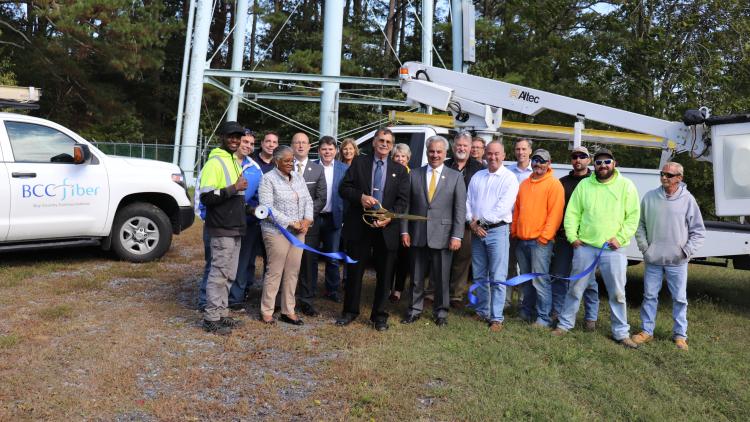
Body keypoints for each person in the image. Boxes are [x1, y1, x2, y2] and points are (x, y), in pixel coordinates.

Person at [553, 148, 640, 349]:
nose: (603, 166)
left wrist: (621, 238)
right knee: (575, 289)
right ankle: (565, 324)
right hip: (585, 248)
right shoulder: (584, 185)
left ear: (614, 163)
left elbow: (633, 217)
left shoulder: (626, 186)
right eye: (599, 163)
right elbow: (573, 212)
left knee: (618, 293)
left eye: (607, 161)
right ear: (594, 165)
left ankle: (621, 333)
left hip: (613, 250)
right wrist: (572, 236)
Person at [336, 128, 410, 331]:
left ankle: (379, 316)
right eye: (381, 140)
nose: (384, 144)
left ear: (392, 145)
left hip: (386, 229)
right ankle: (350, 312)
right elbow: (344, 189)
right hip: (359, 226)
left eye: (388, 141)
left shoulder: (400, 170)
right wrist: (360, 197)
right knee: (354, 272)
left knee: (385, 275)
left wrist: (389, 216)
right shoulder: (360, 163)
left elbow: (403, 202)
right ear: (374, 142)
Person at [632, 162, 705, 350]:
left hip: (677, 261)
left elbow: (698, 231)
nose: (664, 177)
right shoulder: (649, 198)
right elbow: (640, 225)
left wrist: (685, 252)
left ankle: (680, 335)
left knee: (679, 298)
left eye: (669, 175)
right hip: (653, 259)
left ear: (679, 178)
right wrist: (645, 248)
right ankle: (647, 331)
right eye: (662, 174)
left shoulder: (688, 200)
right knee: (649, 296)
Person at [400, 136, 466, 326]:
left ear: (445, 154)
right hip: (417, 234)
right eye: (431, 151)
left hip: (444, 236)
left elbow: (459, 209)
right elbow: (406, 206)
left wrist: (457, 235)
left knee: (442, 278)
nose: (435, 155)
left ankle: (441, 313)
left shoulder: (455, 176)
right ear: (427, 152)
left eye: (439, 152)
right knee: (416, 276)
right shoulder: (414, 174)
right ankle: (414, 309)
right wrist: (404, 231)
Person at [198, 121, 249, 335]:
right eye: (231, 136)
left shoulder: (234, 161)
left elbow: (234, 197)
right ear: (223, 137)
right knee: (218, 274)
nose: (235, 140)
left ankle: (222, 314)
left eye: (238, 137)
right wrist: (233, 188)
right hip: (221, 228)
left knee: (229, 274)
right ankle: (210, 318)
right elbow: (207, 196)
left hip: (235, 227)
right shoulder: (215, 163)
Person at [466, 141, 519, 332]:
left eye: (497, 154)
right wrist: (471, 222)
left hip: (497, 232)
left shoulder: (509, 178)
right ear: (485, 155)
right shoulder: (477, 176)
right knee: (480, 274)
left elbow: (503, 208)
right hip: (476, 231)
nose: (493, 157)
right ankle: (482, 311)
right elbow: (468, 202)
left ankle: (496, 318)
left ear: (504, 155)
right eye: (489, 153)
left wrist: (478, 222)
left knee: (497, 276)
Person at [258, 146, 314, 325]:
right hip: (276, 231)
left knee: (293, 271)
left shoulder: (298, 177)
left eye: (292, 160)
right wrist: (291, 222)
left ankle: (288, 310)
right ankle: (267, 310)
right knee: (275, 271)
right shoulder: (268, 179)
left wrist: (307, 220)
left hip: (299, 232)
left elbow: (308, 200)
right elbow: (267, 208)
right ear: (276, 161)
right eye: (287, 161)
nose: (291, 163)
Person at [511, 149, 564, 327]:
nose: (538, 164)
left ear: (549, 163)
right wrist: (514, 231)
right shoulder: (524, 184)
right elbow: (517, 210)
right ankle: (527, 311)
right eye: (536, 160)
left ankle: (544, 317)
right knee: (526, 280)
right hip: (522, 240)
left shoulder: (554, 185)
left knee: (540, 281)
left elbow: (555, 214)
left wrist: (545, 237)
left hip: (540, 243)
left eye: (543, 161)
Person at [549, 146, 599, 330]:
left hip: (586, 242)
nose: (578, 159)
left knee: (589, 280)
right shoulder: (561, 183)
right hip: (564, 239)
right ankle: (558, 313)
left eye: (582, 156)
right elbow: (556, 210)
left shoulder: (595, 182)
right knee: (560, 277)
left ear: (589, 160)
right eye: (575, 156)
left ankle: (591, 318)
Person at [444, 132, 485, 308]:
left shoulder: (480, 169)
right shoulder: (444, 165)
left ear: (470, 148)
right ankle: (433, 292)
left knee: (462, 260)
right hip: (444, 220)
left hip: (468, 223)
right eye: (458, 145)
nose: (461, 148)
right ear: (454, 147)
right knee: (440, 258)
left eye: (465, 146)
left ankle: (456, 296)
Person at [291, 132, 327, 317]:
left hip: (309, 225)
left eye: (304, 143)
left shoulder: (317, 169)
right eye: (297, 142)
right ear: (292, 145)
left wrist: (306, 219)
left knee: (308, 263)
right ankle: (286, 300)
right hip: (288, 224)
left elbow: (321, 198)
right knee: (287, 263)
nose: (300, 146)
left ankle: (306, 300)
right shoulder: (284, 167)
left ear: (309, 146)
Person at [228, 129, 263, 310]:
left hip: (246, 224)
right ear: (236, 142)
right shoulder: (223, 162)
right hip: (222, 223)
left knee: (242, 262)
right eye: (245, 142)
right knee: (219, 262)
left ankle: (235, 299)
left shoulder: (255, 170)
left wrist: (253, 212)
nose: (248, 146)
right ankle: (209, 299)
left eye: (251, 143)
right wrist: (204, 217)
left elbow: (259, 197)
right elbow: (205, 191)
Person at [312, 136, 349, 303]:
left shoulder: (343, 168)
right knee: (309, 255)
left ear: (336, 151)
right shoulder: (311, 167)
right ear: (319, 150)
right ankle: (308, 288)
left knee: (332, 257)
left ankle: (332, 290)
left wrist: (344, 217)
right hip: (313, 218)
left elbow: (348, 195)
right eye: (324, 149)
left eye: (331, 149)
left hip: (334, 218)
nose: (327, 152)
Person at [506, 138, 534, 310]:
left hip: (527, 227)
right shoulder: (508, 172)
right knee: (508, 265)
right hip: (509, 226)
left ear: (530, 151)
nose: (521, 152)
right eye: (518, 149)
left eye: (524, 149)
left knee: (525, 267)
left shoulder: (537, 172)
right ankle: (506, 301)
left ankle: (525, 302)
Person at [389, 143, 412, 303]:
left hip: (406, 224)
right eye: (397, 156)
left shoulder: (413, 175)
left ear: (408, 158)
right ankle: (387, 287)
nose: (400, 159)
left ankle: (398, 290)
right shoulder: (388, 173)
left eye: (403, 156)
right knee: (389, 258)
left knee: (403, 259)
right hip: (389, 222)